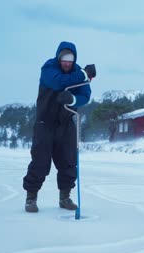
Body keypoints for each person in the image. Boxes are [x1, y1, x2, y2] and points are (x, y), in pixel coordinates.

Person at [23, 41, 96, 213]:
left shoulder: (78, 73)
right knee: (40, 162)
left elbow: (85, 95)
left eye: (70, 59)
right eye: (64, 58)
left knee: (68, 162)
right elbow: (57, 82)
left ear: (74, 59)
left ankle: (65, 197)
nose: (67, 62)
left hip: (66, 124)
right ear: (59, 57)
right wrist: (84, 75)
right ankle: (31, 198)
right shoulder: (48, 68)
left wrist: (72, 100)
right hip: (44, 123)